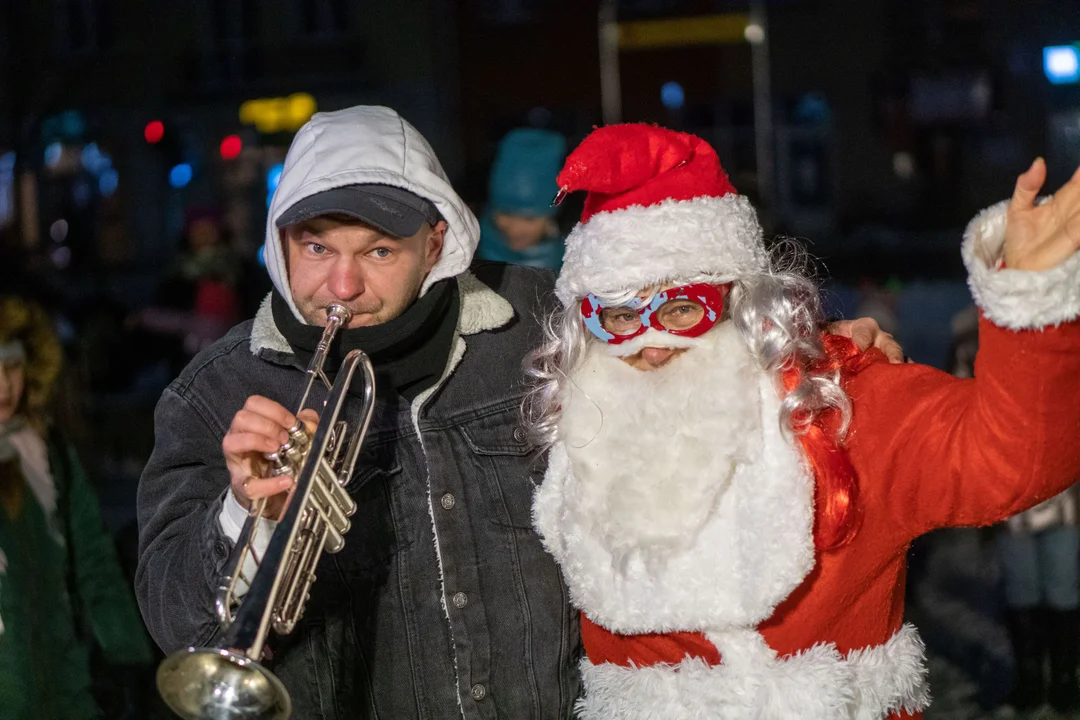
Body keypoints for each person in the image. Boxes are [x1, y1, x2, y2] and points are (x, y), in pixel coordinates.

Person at [135, 105, 900, 718]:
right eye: (316, 248)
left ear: (435, 243)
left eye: (377, 253)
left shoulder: (538, 318)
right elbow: (178, 625)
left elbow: (684, 344)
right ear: (279, 244)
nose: (341, 288)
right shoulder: (215, 392)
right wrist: (245, 514)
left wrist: (818, 354)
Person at [526, 125, 1080, 719]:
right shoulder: (578, 429)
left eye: (681, 308)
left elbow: (1013, 461)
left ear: (743, 304)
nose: (651, 346)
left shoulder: (839, 407)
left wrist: (1031, 300)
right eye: (617, 315)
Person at [0, 295, 154, 720]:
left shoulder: (45, 451)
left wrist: (127, 658)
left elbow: (93, 559)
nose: (4, 386)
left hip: (63, 682)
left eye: (11, 367)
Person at [950, 303, 1080, 717]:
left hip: (1065, 496)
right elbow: (961, 403)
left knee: (1062, 589)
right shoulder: (979, 342)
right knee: (1022, 589)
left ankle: (1064, 680)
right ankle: (1030, 680)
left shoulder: (1067, 339)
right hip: (1013, 495)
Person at [476, 128, 567, 270]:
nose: (516, 228)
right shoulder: (467, 256)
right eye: (506, 213)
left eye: (529, 219)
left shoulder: (575, 264)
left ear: (550, 217)